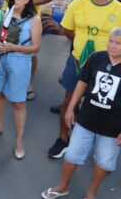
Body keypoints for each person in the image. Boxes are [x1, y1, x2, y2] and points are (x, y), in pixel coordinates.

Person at [48, 0, 121, 160]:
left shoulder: (119, 10)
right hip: (78, 61)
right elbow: (68, 30)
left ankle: (99, 143)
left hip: (107, 68)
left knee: (103, 105)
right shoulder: (77, 4)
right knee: (68, 101)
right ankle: (63, 139)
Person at [41, 27, 121, 199]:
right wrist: (71, 108)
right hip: (86, 120)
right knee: (72, 155)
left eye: (118, 43)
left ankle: (91, 193)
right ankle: (63, 186)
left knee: (104, 162)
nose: (112, 46)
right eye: (111, 41)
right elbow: (82, 83)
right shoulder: (96, 58)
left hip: (113, 127)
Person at [0, 0, 41, 160]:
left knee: (18, 103)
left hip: (20, 61)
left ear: (27, 0)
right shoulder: (2, 15)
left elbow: (36, 48)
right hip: (1, 60)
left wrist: (12, 47)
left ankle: (18, 140)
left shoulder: (34, 20)